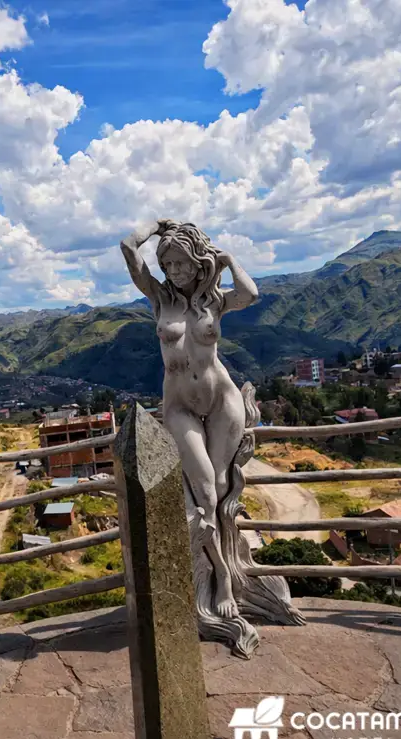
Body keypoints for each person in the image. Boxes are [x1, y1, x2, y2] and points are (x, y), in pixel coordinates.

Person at [120, 220, 259, 618]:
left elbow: (250, 294)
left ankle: (228, 576)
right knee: (206, 496)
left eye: (182, 264)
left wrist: (228, 259)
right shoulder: (159, 298)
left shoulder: (213, 300)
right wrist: (157, 226)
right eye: (168, 264)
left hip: (222, 399)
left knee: (219, 484)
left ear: (200, 264)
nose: (175, 272)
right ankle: (221, 578)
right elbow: (129, 248)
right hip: (178, 404)